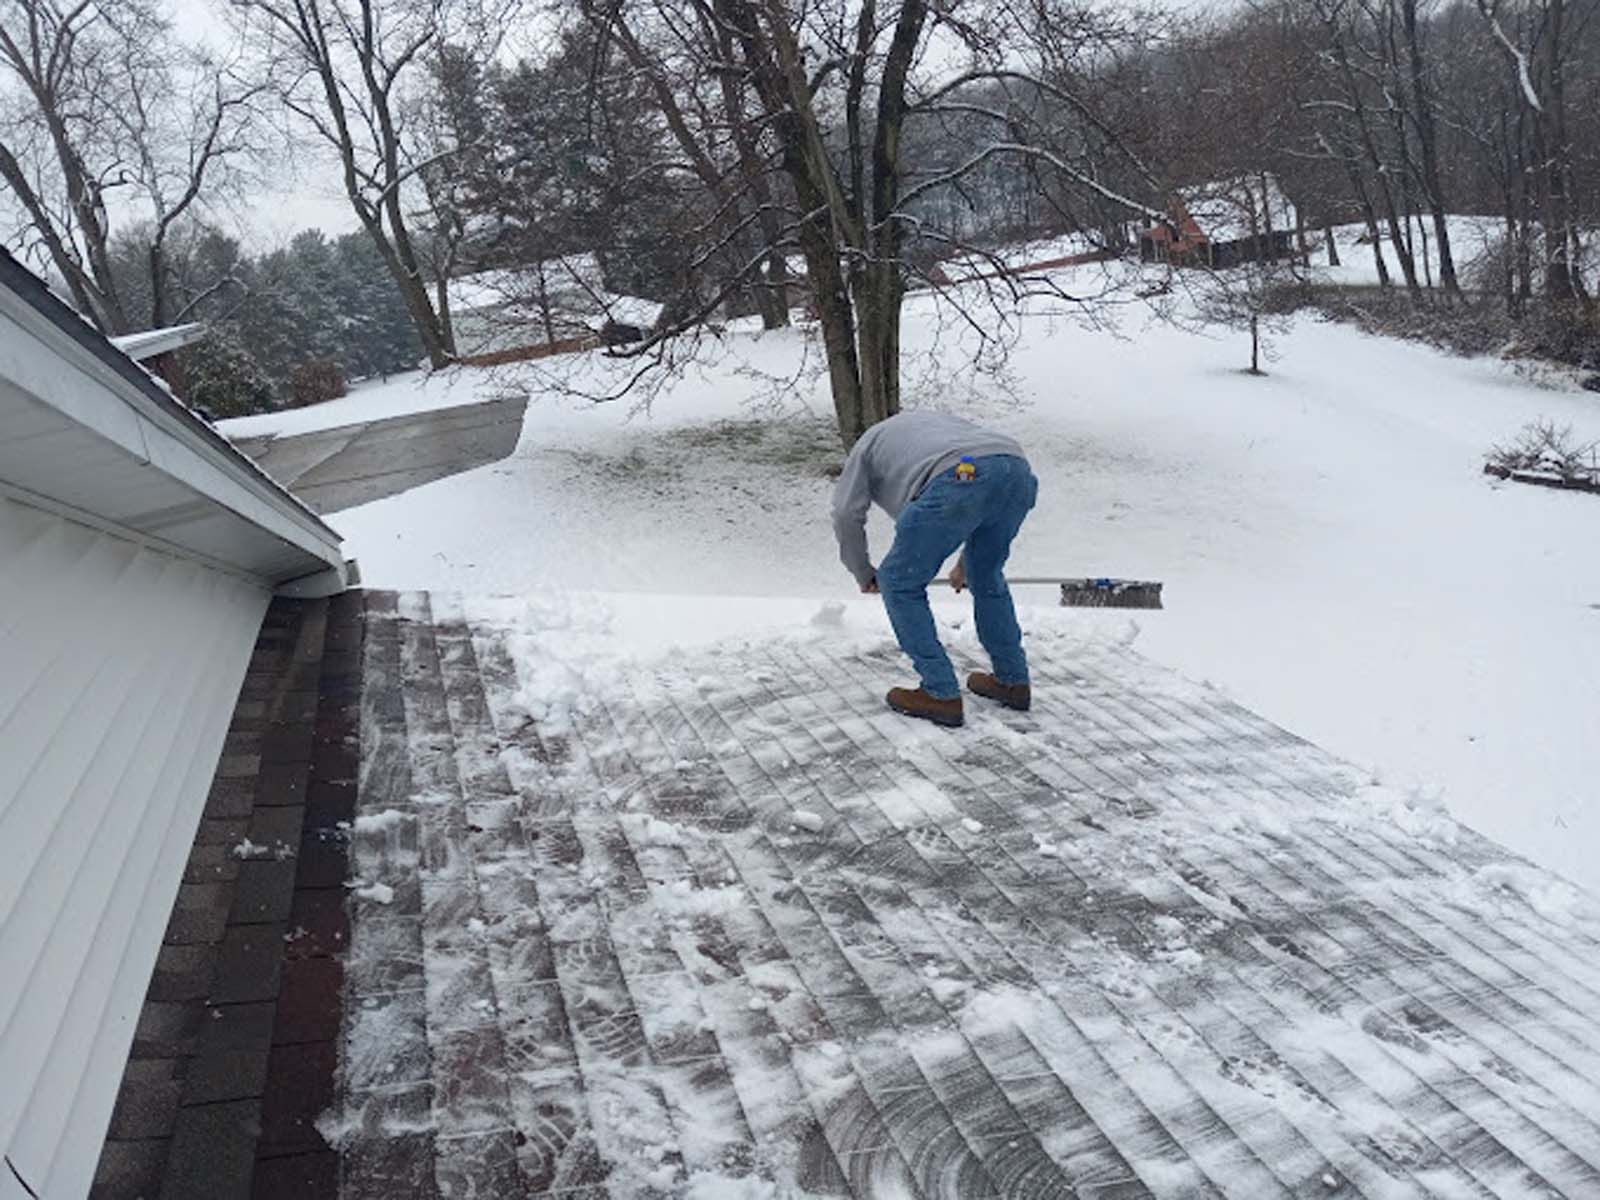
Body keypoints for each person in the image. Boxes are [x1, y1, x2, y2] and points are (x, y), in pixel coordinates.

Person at [831, 410, 1039, 728]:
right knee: (987, 574)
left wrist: (864, 572)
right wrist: (964, 565)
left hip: (958, 477)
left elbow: (846, 513)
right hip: (1015, 469)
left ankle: (939, 692)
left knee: (899, 582)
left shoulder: (866, 446)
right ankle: (1012, 681)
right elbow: (981, 483)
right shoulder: (933, 425)